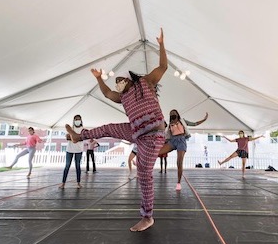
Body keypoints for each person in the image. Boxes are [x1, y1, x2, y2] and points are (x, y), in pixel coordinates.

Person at [65, 28, 167, 232]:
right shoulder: (122, 97)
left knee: (144, 174)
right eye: (116, 82)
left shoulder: (146, 82)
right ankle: (79, 136)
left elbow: (163, 66)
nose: (118, 84)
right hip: (135, 131)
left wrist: (162, 44)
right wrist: (98, 79)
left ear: (129, 79)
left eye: (120, 81)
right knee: (109, 128)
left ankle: (147, 217)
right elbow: (106, 93)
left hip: (153, 134)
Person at [158, 110, 208, 191]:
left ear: (177, 114)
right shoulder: (169, 124)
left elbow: (194, 124)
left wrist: (204, 119)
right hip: (172, 141)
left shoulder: (182, 121)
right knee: (157, 152)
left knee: (179, 162)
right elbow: (164, 132)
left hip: (181, 140)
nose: (172, 114)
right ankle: (143, 163)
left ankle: (178, 183)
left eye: (174, 113)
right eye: (171, 113)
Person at [59, 115, 84, 189]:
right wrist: (76, 137)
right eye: (76, 119)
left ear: (81, 120)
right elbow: (67, 137)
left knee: (78, 166)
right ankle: (63, 183)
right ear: (74, 120)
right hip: (69, 150)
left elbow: (82, 138)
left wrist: (73, 137)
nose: (77, 121)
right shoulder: (70, 129)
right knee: (67, 166)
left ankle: (78, 183)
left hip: (79, 150)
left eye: (79, 119)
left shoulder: (83, 130)